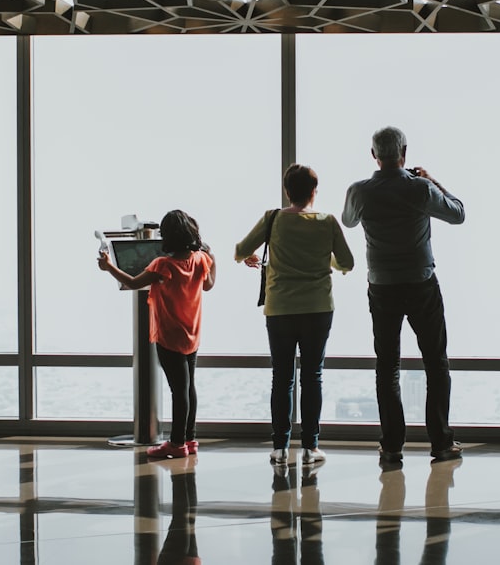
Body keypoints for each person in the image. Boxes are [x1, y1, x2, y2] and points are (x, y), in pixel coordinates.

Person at [341, 127, 465, 466]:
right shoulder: (420, 188)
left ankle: (392, 446)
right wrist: (433, 180)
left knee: (387, 367)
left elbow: (348, 221)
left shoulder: (360, 191)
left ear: (373, 156)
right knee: (436, 363)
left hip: (382, 287)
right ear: (404, 153)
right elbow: (458, 213)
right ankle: (441, 442)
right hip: (421, 283)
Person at [236, 164, 354, 467]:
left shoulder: (272, 219)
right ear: (314, 192)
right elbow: (347, 263)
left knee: (282, 377)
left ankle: (279, 448)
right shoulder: (327, 222)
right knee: (312, 376)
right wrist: (325, 259)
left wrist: (248, 257)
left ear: (287, 191)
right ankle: (311, 448)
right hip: (317, 308)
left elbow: (240, 249)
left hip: (280, 310)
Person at [97, 209, 216, 459]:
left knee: (178, 390)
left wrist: (108, 267)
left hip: (169, 336)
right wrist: (212, 257)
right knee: (188, 387)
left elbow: (132, 282)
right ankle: (190, 438)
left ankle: (176, 444)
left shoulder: (162, 264)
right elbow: (208, 284)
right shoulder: (200, 259)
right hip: (192, 333)